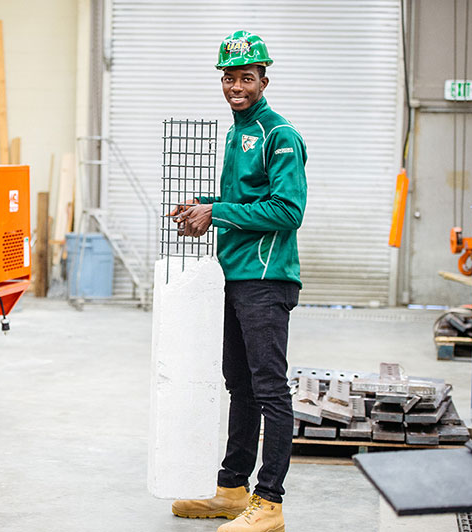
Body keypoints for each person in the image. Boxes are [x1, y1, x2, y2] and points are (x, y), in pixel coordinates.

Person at [170, 30, 307, 532]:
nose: (236, 86)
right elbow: (245, 200)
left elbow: (288, 210)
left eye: (246, 77)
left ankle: (269, 502)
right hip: (235, 275)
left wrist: (218, 210)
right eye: (229, 77)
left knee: (270, 388)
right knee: (240, 386)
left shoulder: (279, 134)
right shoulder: (235, 132)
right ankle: (232, 490)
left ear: (263, 80)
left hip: (266, 279)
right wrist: (203, 205)